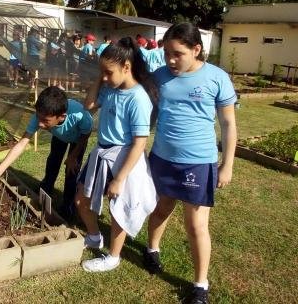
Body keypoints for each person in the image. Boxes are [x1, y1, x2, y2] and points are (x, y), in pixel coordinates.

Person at [144, 23, 237, 304]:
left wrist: (227, 164)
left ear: (196, 50)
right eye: (166, 53)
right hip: (161, 158)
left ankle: (200, 286)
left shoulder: (217, 78)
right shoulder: (159, 76)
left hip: (198, 162)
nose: (170, 60)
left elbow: (229, 123)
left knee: (196, 223)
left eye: (178, 53)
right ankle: (152, 250)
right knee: (161, 208)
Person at [76, 37, 158, 272]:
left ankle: (113, 256)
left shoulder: (138, 98)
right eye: (102, 71)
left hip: (124, 157)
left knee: (118, 210)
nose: (104, 76)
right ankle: (94, 237)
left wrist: (120, 178)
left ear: (127, 67)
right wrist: (100, 78)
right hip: (101, 151)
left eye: (108, 71)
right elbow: (88, 105)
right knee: (81, 199)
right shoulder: (111, 88)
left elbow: (139, 144)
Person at [0, 86, 93, 220]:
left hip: (77, 140)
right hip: (59, 136)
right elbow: (22, 143)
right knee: (53, 163)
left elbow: (86, 133)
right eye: (39, 117)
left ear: (61, 117)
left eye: (45, 121)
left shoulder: (80, 115)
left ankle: (68, 206)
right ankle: (45, 190)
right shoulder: (40, 116)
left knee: (71, 171)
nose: (40, 124)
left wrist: (73, 156)